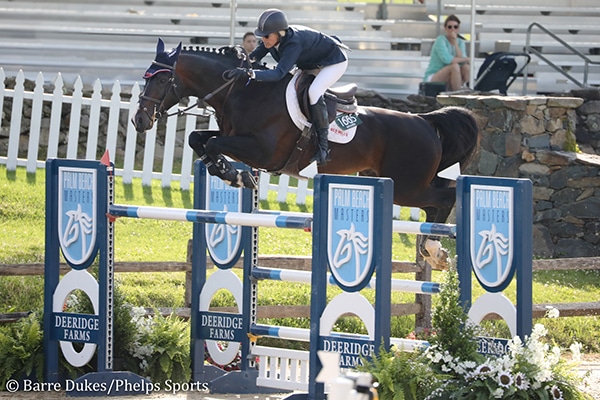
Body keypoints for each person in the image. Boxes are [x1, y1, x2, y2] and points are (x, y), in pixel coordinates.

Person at [226, 8, 349, 166]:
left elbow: (279, 74)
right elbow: (254, 58)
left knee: (314, 92)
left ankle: (323, 149)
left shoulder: (293, 42)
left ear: (280, 33)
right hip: (312, 62)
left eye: (266, 36)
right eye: (262, 36)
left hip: (333, 61)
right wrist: (237, 59)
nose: (263, 40)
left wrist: (250, 74)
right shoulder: (271, 39)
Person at [423, 14, 470, 92]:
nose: (452, 29)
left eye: (455, 27)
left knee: (466, 67)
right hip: (435, 74)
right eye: (449, 27)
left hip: (452, 74)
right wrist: (465, 59)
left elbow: (462, 60)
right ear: (445, 28)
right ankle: (457, 94)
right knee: (454, 66)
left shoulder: (460, 42)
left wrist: (455, 42)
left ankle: (470, 93)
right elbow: (447, 59)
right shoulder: (440, 40)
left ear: (458, 29)